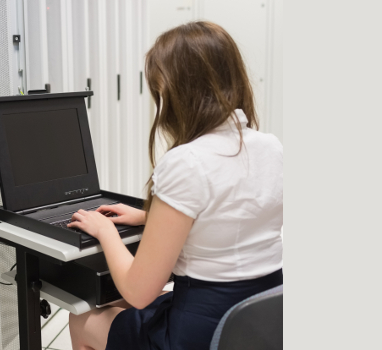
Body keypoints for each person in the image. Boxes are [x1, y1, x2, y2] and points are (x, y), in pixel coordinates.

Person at [67, 21, 283, 350]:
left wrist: (105, 231)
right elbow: (235, 214)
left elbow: (139, 293)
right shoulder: (271, 147)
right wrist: (150, 218)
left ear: (177, 91)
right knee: (121, 309)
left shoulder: (187, 162)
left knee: (83, 317)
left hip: (199, 336)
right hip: (259, 327)